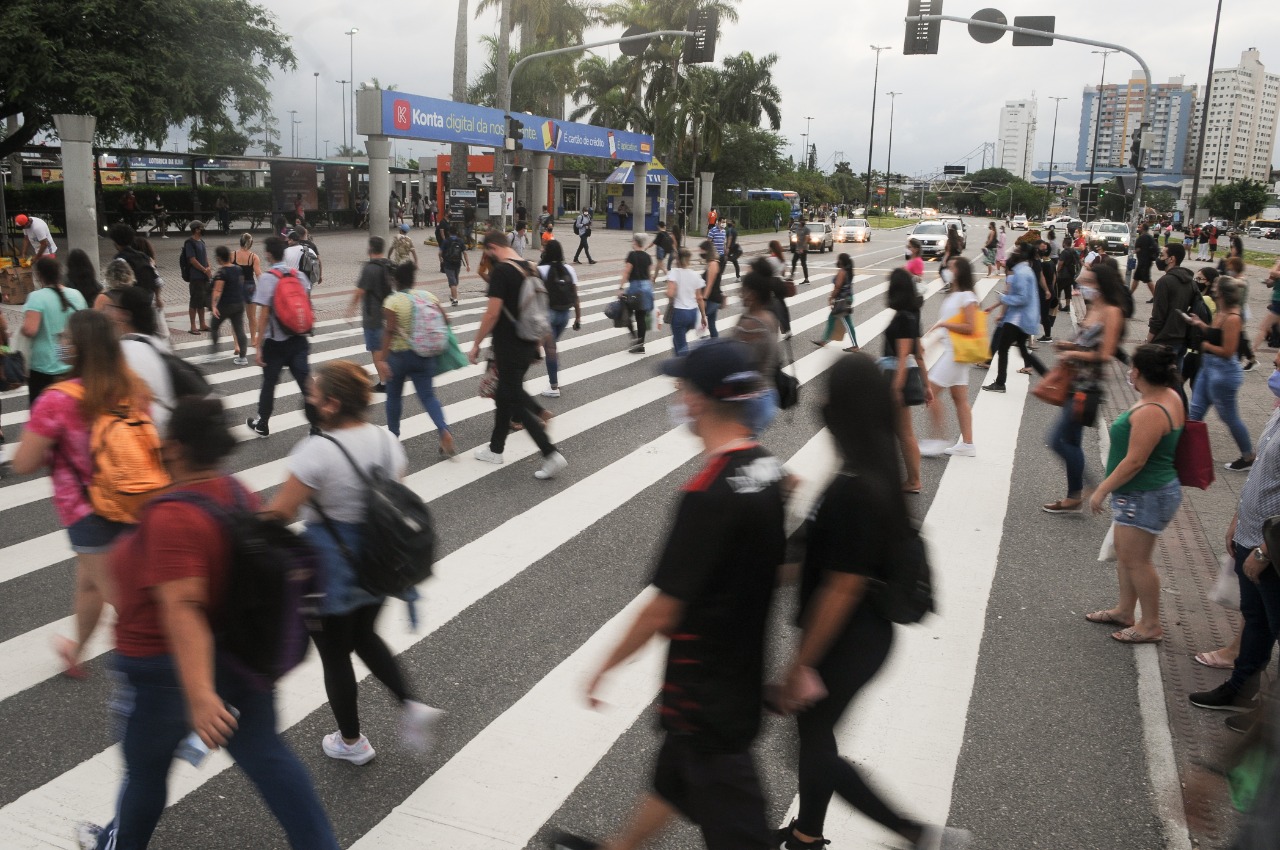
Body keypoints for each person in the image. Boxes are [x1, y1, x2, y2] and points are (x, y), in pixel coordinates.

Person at [75, 396, 340, 850]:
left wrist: (199, 696)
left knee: (145, 773)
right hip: (238, 656)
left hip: (164, 669)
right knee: (269, 757)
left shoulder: (171, 517)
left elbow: (183, 607)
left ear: (174, 447)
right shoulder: (236, 491)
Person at [564, 338, 785, 850]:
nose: (679, 398)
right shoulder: (767, 469)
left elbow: (663, 609)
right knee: (674, 782)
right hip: (739, 674)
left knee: (738, 829)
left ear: (701, 400)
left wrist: (604, 666)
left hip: (704, 697)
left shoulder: (706, 495)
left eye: (682, 388)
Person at [772, 354, 970, 850]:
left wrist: (802, 663)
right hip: (859, 635)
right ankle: (806, 835)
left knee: (814, 743)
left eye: (828, 395)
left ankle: (916, 835)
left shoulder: (858, 488)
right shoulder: (867, 467)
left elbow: (842, 587)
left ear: (844, 408)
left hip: (849, 637)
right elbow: (804, 552)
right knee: (813, 738)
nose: (819, 404)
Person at [260, 362, 443, 767]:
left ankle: (351, 741)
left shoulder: (316, 452)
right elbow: (392, 495)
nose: (307, 398)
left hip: (330, 568)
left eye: (313, 393)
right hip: (379, 559)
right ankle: (411, 706)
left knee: (335, 653)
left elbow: (282, 513)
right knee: (365, 636)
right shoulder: (385, 441)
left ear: (331, 404)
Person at [13, 310, 149, 678]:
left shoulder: (57, 399)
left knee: (128, 605)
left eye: (66, 340)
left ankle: (178, 679)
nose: (61, 344)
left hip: (88, 511)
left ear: (80, 348)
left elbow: (23, 462)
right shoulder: (133, 387)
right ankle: (77, 649)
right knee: (90, 583)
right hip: (134, 498)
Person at [1188, 352, 1280, 726]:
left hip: (1272, 547)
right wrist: (1237, 519)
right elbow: (1261, 471)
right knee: (1255, 618)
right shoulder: (1277, 411)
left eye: (1279, 366)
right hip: (1252, 533)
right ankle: (1242, 690)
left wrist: (1265, 549)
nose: (1273, 368)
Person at [1086, 344, 1186, 644]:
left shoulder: (1153, 410)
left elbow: (1135, 461)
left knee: (1137, 560)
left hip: (1144, 494)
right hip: (1145, 493)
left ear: (1139, 372)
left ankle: (1150, 624)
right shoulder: (1167, 396)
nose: (1129, 373)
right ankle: (1125, 610)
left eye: (1132, 369)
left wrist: (1102, 490)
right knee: (1127, 557)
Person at [469, 231, 566, 479]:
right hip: (529, 344)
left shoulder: (502, 271)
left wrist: (476, 343)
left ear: (492, 248)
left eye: (486, 252)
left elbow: (492, 314)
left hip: (509, 346)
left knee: (513, 401)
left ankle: (550, 454)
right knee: (505, 395)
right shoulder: (531, 267)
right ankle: (495, 449)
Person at [1043, 262, 1128, 514]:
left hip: (1087, 388)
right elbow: (1084, 342)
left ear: (1101, 285)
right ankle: (1073, 496)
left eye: (1089, 282)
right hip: (1072, 382)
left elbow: (1105, 353)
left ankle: (1089, 485)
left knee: (1057, 440)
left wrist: (1071, 351)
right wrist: (1067, 344)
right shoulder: (1093, 307)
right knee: (1071, 440)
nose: (1084, 286)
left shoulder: (1112, 311)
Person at [374, 263, 456, 456]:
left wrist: (382, 359)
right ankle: (444, 430)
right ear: (413, 280)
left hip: (399, 357)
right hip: (424, 355)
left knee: (394, 397)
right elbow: (446, 320)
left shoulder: (392, 301)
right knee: (428, 397)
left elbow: (390, 330)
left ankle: (393, 438)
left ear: (395, 281)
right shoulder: (428, 296)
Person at [247, 236, 317, 439]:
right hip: (298, 339)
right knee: (306, 383)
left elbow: (264, 315)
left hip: (275, 343)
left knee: (269, 383)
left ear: (268, 254)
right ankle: (317, 426)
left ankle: (263, 423)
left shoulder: (268, 278)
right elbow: (305, 304)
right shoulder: (299, 276)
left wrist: (258, 346)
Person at [1185, 278, 1255, 472]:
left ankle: (1248, 456)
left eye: (1216, 287)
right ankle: (1181, 455)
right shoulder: (1221, 311)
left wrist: (1205, 346)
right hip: (1208, 369)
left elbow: (1228, 350)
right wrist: (1200, 324)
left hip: (1223, 374)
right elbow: (1216, 334)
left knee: (1229, 417)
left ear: (1222, 293)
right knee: (1195, 411)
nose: (1213, 290)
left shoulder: (1233, 317)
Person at [921, 256, 978, 458]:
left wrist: (944, 324)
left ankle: (937, 439)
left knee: (930, 392)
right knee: (959, 398)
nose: (947, 269)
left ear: (960, 272)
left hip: (956, 353)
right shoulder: (954, 294)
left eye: (951, 267)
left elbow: (970, 327)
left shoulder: (967, 297)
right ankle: (968, 444)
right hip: (953, 351)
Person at [883, 268, 933, 494]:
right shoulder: (913, 313)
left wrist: (897, 387)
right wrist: (927, 384)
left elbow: (904, 354)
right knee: (902, 432)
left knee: (904, 432)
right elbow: (919, 352)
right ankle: (909, 478)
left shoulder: (903, 316)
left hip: (895, 374)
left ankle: (913, 480)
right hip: (898, 372)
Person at [108, 285, 178, 434]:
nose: (112, 313)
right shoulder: (159, 344)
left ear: (124, 314)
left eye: (114, 308)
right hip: (166, 427)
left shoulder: (124, 350)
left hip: (145, 433)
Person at [20, 257, 88, 401]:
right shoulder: (77, 295)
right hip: (71, 363)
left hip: (44, 366)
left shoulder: (36, 297)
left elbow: (30, 329)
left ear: (38, 275)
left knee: (44, 412)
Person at [982, 243, 1046, 393]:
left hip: (1018, 318)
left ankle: (1000, 383)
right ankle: (1050, 377)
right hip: (1022, 318)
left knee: (1003, 348)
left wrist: (1005, 299)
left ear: (1022, 255)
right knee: (1022, 350)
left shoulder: (1022, 273)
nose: (1013, 252)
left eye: (1017, 250)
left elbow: (1022, 298)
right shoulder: (1025, 270)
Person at [728, 261, 781, 436]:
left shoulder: (752, 324)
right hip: (765, 393)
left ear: (752, 295)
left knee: (737, 452)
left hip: (752, 398)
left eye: (742, 291)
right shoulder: (768, 316)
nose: (740, 295)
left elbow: (738, 360)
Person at [1147, 242, 1198, 377]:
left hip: (1165, 340)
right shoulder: (1191, 282)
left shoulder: (1165, 282)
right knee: (1175, 382)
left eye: (1162, 255)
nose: (1159, 259)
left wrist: (1149, 340)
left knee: (1161, 383)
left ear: (1171, 259)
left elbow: (1158, 316)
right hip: (1182, 340)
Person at [538, 239, 582, 398]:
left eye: (543, 248)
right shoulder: (569, 269)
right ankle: (554, 377)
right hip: (564, 315)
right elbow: (575, 296)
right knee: (552, 347)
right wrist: (578, 318)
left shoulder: (540, 270)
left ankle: (554, 386)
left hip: (548, 314)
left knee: (550, 349)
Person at [350, 236, 394, 391]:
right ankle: (391, 376)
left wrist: (350, 310)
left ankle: (384, 383)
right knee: (387, 347)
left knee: (377, 350)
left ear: (370, 248)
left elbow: (360, 291)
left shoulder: (369, 268)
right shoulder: (390, 265)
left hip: (373, 317)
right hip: (390, 314)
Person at [209, 245, 249, 364]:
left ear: (219, 258)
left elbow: (217, 290)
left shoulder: (221, 272)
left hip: (225, 305)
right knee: (239, 330)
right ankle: (243, 357)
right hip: (239, 304)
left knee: (214, 326)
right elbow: (240, 284)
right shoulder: (238, 269)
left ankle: (215, 353)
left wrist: (213, 305)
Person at [665, 248, 707, 356]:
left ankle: (684, 368)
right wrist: (703, 316)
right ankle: (678, 362)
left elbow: (670, 293)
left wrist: (670, 296)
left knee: (682, 347)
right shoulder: (695, 275)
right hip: (693, 314)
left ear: (677, 259)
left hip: (679, 313)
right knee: (677, 340)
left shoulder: (674, 273)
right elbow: (699, 298)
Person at [621, 234, 656, 353]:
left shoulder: (632, 255)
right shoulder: (647, 257)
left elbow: (627, 272)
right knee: (641, 317)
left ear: (635, 242)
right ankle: (640, 344)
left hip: (635, 288)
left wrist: (621, 287)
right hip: (646, 288)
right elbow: (650, 274)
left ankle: (635, 338)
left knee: (625, 313)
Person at [813, 253, 857, 351]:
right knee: (831, 319)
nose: (837, 261)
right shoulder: (849, 271)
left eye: (838, 259)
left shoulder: (842, 272)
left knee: (847, 322)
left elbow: (837, 287)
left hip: (842, 300)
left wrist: (831, 298)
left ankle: (855, 345)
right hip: (847, 298)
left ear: (841, 261)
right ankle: (824, 340)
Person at [180, 222, 212, 335]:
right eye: (202, 228)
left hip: (204, 276)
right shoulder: (190, 242)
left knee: (202, 301)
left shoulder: (201, 242)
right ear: (197, 229)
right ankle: (193, 326)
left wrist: (209, 268)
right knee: (194, 301)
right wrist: (204, 270)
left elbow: (205, 256)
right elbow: (192, 260)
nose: (203, 229)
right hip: (196, 276)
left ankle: (202, 324)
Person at [232, 232, 263, 339]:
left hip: (236, 287)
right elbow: (258, 274)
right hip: (250, 287)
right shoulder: (253, 257)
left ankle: (237, 344)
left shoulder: (232, 255)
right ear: (250, 244)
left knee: (236, 318)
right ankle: (253, 339)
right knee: (252, 317)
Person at [766, 240, 793, 337]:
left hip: (773, 283)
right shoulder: (781, 259)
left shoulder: (770, 260)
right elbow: (783, 273)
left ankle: (773, 330)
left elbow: (767, 273)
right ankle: (787, 329)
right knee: (782, 307)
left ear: (771, 248)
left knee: (773, 308)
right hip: (781, 283)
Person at [439, 223, 470, 307]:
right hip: (457, 264)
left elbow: (440, 253)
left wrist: (441, 260)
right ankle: (453, 296)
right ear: (456, 232)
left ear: (449, 232)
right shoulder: (460, 241)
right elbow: (465, 253)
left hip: (448, 264)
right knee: (455, 281)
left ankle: (455, 299)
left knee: (452, 282)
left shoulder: (446, 241)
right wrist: (468, 265)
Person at [701, 240, 725, 339]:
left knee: (699, 318)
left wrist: (704, 299)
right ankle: (715, 344)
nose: (700, 253)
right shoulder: (712, 263)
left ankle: (706, 340)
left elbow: (709, 284)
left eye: (702, 251)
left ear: (707, 251)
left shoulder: (713, 264)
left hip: (712, 298)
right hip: (714, 298)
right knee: (711, 324)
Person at [1132, 222, 1158, 300]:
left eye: (1140, 227)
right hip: (1146, 261)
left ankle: (1156, 297)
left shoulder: (1142, 237)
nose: (1138, 228)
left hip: (1144, 262)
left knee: (1147, 279)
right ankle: (1129, 294)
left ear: (1143, 229)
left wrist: (1133, 251)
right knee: (1136, 278)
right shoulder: (1149, 237)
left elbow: (1138, 248)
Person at [790, 218, 811, 283]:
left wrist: (802, 248)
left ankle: (806, 279)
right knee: (793, 261)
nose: (803, 222)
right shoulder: (798, 229)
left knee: (803, 263)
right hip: (798, 248)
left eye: (804, 221)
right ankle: (791, 276)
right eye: (802, 221)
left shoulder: (806, 229)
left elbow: (807, 239)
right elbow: (797, 237)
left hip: (803, 249)